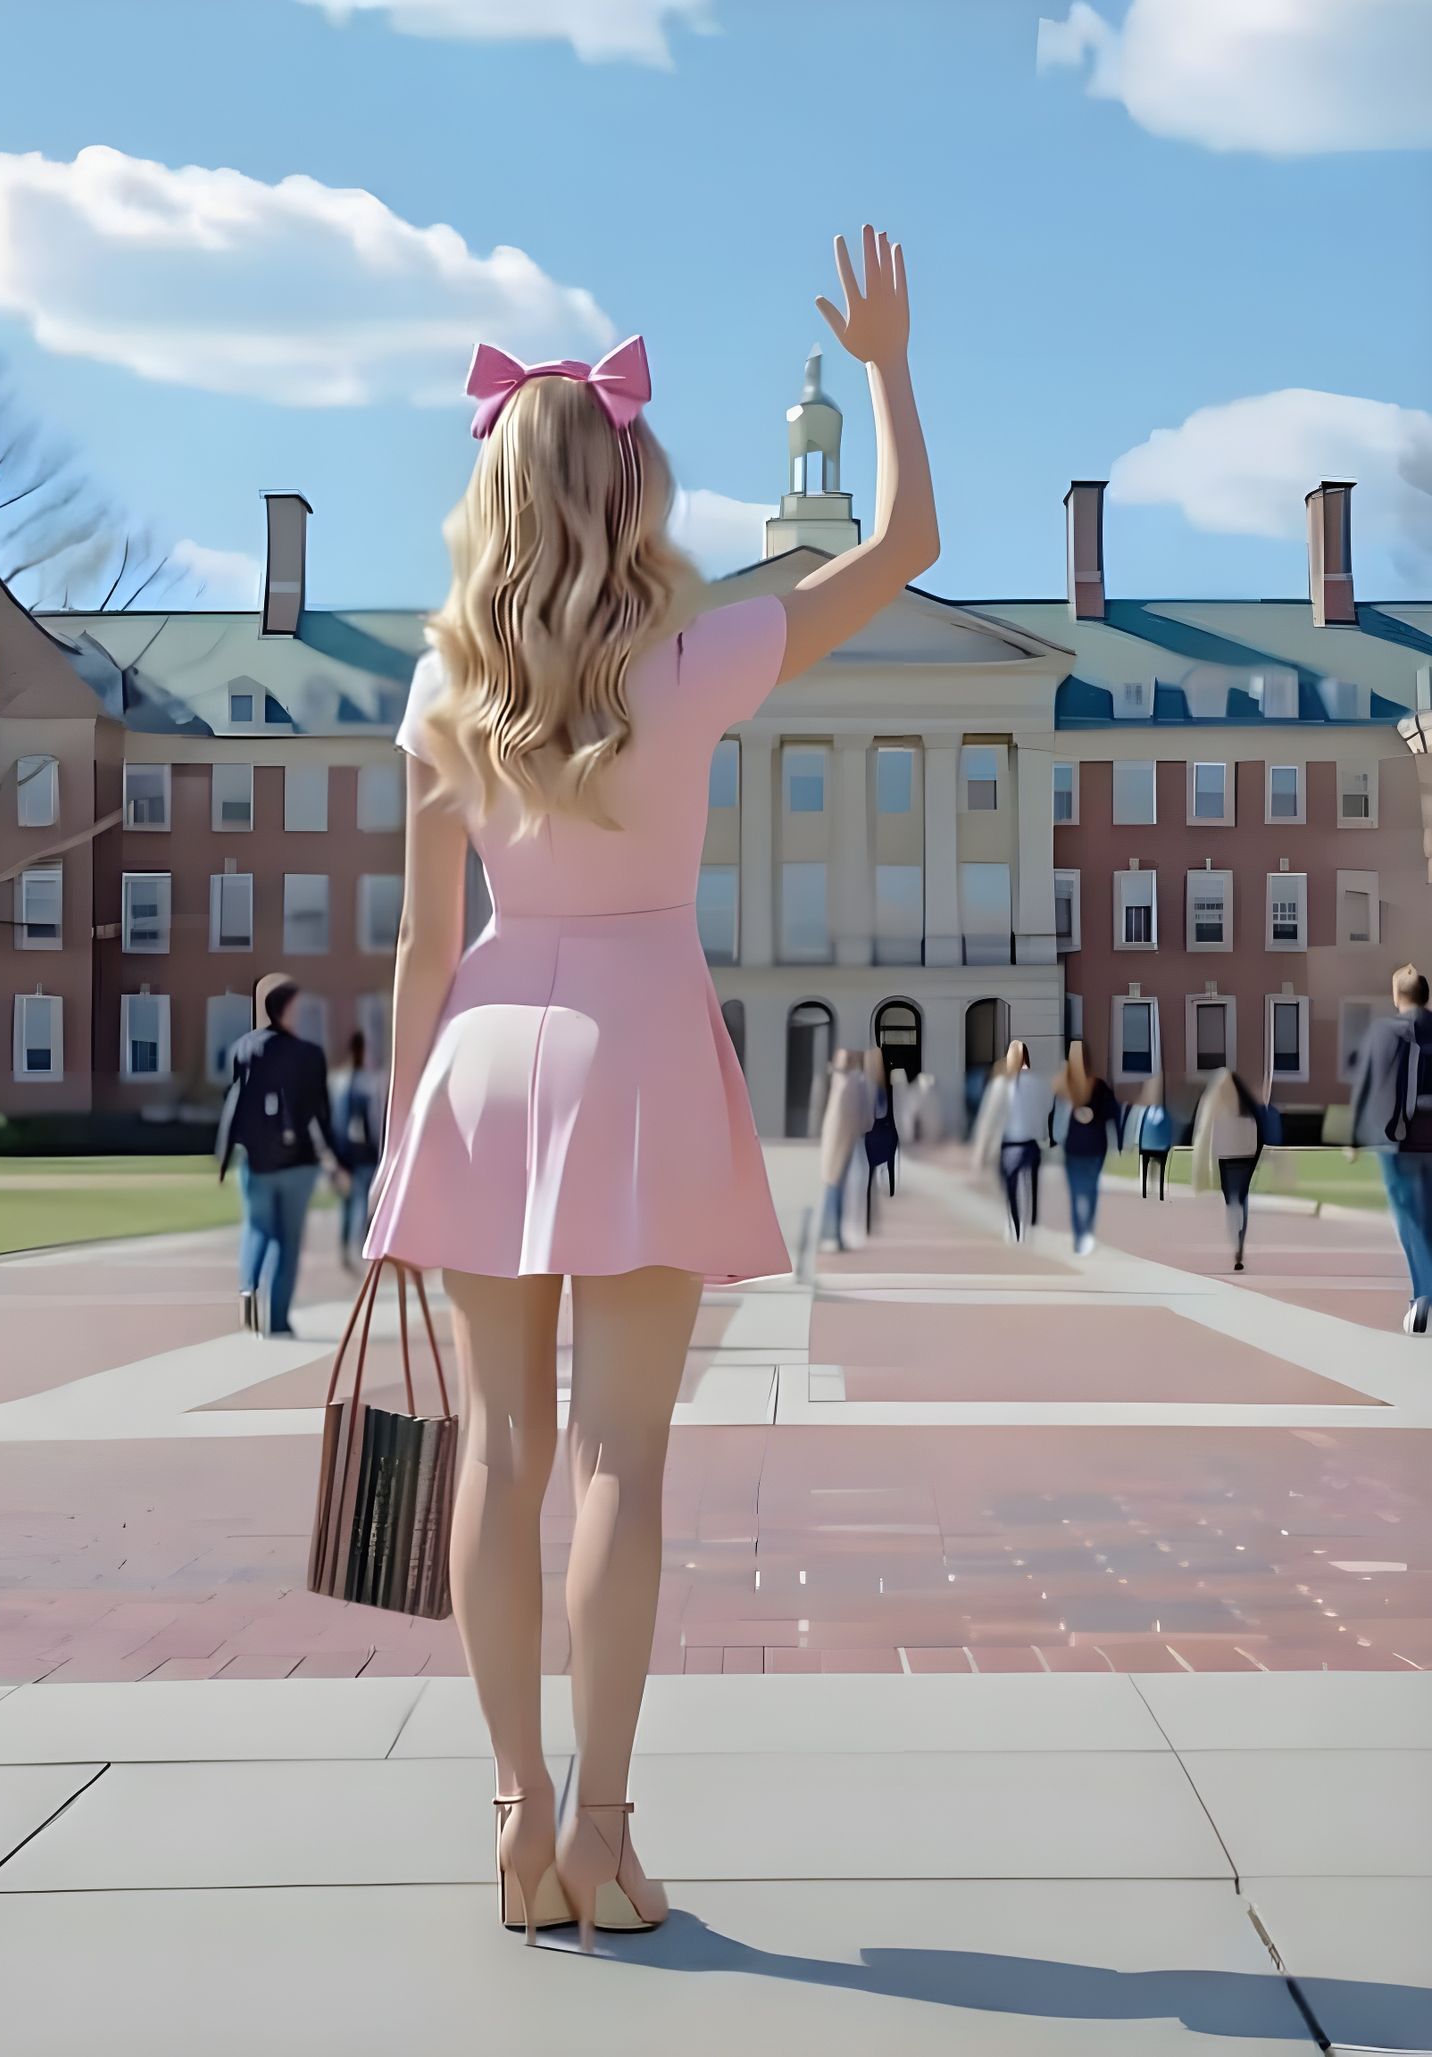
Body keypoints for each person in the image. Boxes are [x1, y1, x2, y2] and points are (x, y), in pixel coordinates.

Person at [363, 226, 937, 1948]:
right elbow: (909, 543)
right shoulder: (700, 662)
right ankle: (610, 1836)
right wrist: (891, 363)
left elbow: (418, 943)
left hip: (486, 1045)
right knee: (623, 1454)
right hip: (637, 1039)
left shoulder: (445, 678)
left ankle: (515, 1819)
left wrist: (403, 1149)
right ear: (638, 483)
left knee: (498, 1449)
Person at [216, 973, 348, 1335]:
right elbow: (321, 1115)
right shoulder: (309, 1055)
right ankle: (277, 1321)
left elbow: (235, 1101)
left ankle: (248, 1287)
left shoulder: (244, 1048)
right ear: (286, 1010)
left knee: (258, 1228)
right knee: (288, 1241)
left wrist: (226, 1154)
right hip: (298, 1163)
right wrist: (335, 1161)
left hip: (255, 1159)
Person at [1347, 963, 1432, 1333]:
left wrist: (1353, 1136)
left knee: (1408, 1216)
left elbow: (1365, 1084)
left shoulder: (1383, 1031)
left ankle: (1423, 1294)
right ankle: (1423, 1293)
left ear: (1396, 996)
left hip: (1395, 1135)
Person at [1191, 1068, 1270, 1273]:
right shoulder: (1248, 1108)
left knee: (1232, 1202)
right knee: (1242, 1201)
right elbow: (1261, 1133)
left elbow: (1205, 1133)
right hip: (1245, 1158)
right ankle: (1239, 1243)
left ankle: (1236, 1240)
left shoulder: (1216, 1108)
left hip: (1227, 1160)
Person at [972, 1041, 1051, 1243]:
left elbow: (988, 1120)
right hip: (1032, 1144)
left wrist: (980, 1155)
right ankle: (1026, 1229)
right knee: (1029, 1189)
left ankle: (1015, 1228)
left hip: (1009, 1146)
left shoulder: (1000, 1084)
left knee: (1011, 1189)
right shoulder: (1038, 1083)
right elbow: (1046, 1111)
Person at [1051, 1040, 1123, 1256]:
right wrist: (1119, 1141)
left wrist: (1056, 1141)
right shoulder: (1100, 1087)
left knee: (1076, 1192)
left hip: (1073, 1146)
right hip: (1096, 1145)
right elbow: (1114, 1116)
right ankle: (1088, 1232)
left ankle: (1079, 1235)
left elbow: (1058, 1124)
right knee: (1090, 1190)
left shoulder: (1063, 1087)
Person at [329, 1030, 381, 1266]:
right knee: (365, 1202)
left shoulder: (337, 1082)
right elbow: (371, 1122)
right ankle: (362, 1247)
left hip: (342, 1153)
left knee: (348, 1204)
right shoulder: (365, 1084)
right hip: (363, 1153)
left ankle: (345, 1248)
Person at [818, 1048, 877, 1253]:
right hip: (846, 1141)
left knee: (833, 1187)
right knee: (837, 1189)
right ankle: (832, 1234)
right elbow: (865, 1119)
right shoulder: (854, 1083)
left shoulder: (839, 1081)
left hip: (837, 1141)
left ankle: (831, 1234)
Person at [862, 1047, 900, 1234]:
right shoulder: (888, 1085)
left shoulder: (867, 1085)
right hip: (886, 1133)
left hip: (873, 1134)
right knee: (878, 1173)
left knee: (867, 1178)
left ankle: (868, 1220)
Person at [1134, 1072, 1176, 1201]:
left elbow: (1140, 1128)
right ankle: (1155, 1187)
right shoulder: (1165, 1111)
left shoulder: (1147, 1110)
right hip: (1161, 1146)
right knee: (1157, 1162)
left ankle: (1149, 1187)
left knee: (1150, 1162)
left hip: (1147, 1145)